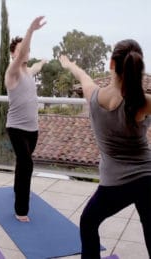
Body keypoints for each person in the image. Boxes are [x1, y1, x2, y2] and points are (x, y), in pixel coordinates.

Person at [59, 39, 151, 259]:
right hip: (148, 179)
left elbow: (83, 77)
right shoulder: (143, 101)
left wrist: (69, 65)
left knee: (89, 222)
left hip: (115, 184)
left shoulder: (94, 96)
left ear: (111, 64)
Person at [5, 16, 47, 222]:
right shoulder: (12, 73)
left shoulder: (29, 72)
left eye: (27, 50)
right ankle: (21, 209)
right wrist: (30, 30)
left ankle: (17, 189)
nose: (25, 52)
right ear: (14, 53)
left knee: (23, 165)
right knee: (27, 164)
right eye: (21, 50)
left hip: (33, 129)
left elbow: (35, 67)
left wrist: (43, 62)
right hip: (16, 128)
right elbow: (22, 53)